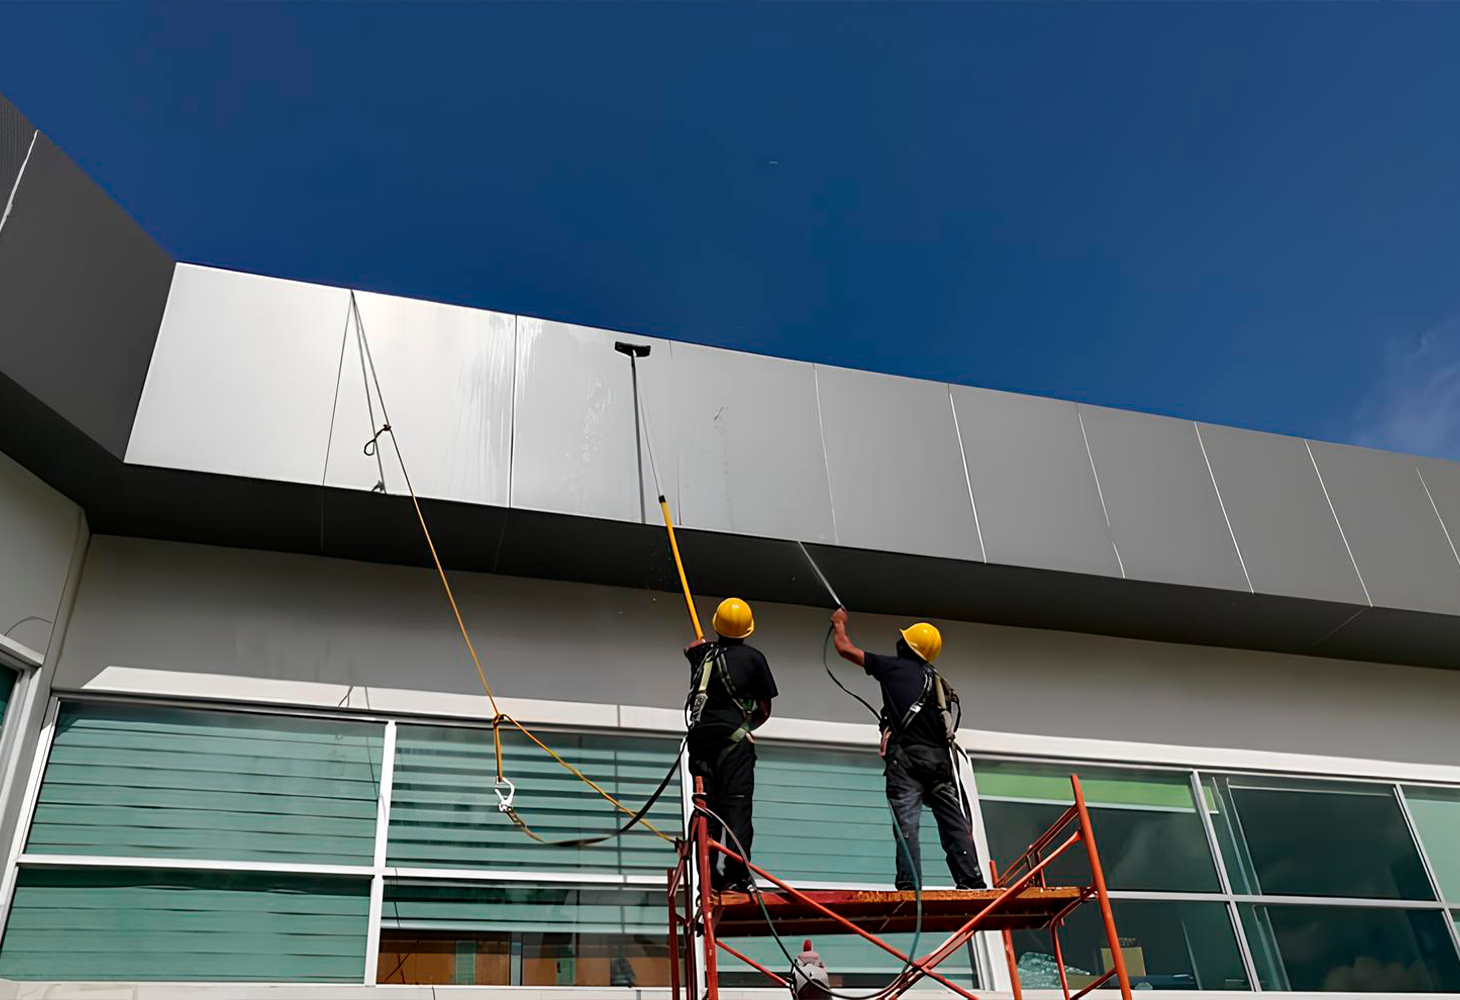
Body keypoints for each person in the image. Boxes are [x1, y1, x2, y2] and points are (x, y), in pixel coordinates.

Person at [830, 608, 986, 891]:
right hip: (940, 762)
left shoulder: (894, 668)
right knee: (953, 822)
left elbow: (845, 649)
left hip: (907, 761)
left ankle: (909, 885)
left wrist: (839, 623)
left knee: (907, 826)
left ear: (907, 646)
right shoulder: (937, 681)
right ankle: (972, 879)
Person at [685, 597, 778, 894]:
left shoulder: (703, 655)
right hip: (734, 742)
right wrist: (747, 728)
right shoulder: (754, 659)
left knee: (706, 811)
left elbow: (690, 648)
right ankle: (737, 876)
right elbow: (764, 709)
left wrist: (704, 646)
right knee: (736, 807)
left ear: (717, 625)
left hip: (700, 743)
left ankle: (708, 878)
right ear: (748, 629)